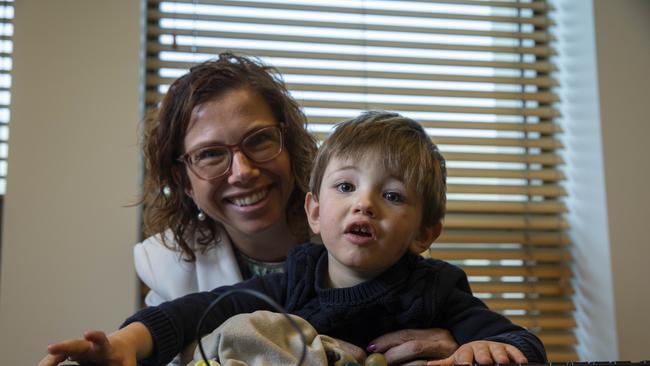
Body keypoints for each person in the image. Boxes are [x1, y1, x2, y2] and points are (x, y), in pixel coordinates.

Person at [39, 111, 547, 366]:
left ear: (425, 233)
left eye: (392, 196)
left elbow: (519, 342)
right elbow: (194, 311)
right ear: (315, 210)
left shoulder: (433, 289)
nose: (363, 203)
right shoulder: (293, 282)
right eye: (345, 187)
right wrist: (125, 344)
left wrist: (478, 351)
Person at [132, 52, 458, 363]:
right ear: (184, 180)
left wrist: (457, 344)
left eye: (259, 139)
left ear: (289, 145)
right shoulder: (164, 265)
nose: (242, 171)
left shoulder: (377, 239)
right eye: (210, 154)